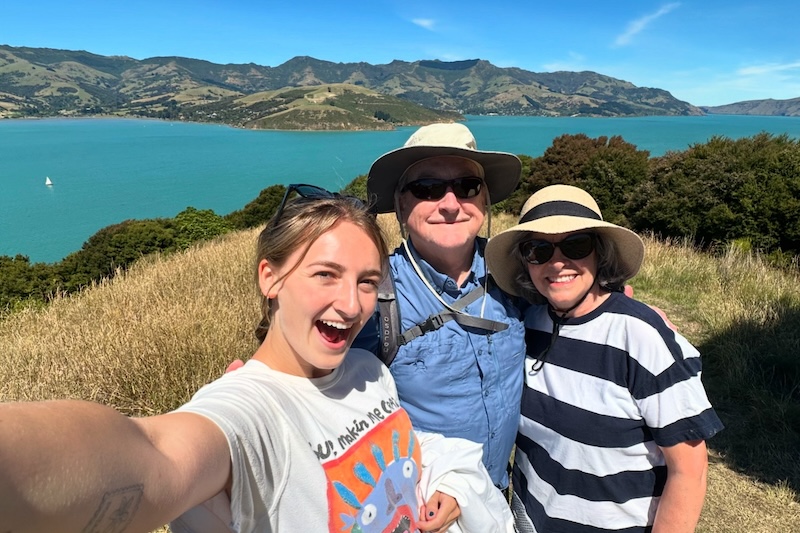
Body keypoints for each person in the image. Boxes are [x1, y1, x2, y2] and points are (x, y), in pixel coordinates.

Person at [0, 187, 514, 533]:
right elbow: (153, 452)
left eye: (366, 281)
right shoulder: (249, 412)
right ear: (271, 278)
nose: (352, 304)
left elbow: (401, 446)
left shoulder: (366, 372)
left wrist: (448, 481)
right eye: (325, 274)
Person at [484, 184, 724, 533]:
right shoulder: (529, 324)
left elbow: (689, 469)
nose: (557, 262)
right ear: (525, 261)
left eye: (576, 245)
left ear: (600, 253)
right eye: (538, 250)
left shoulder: (640, 337)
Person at [354, 122, 527, 491]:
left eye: (467, 187)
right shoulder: (372, 296)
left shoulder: (518, 273)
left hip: (502, 495)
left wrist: (613, 306)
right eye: (427, 189)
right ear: (401, 204)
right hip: (423, 506)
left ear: (484, 200)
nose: (450, 205)